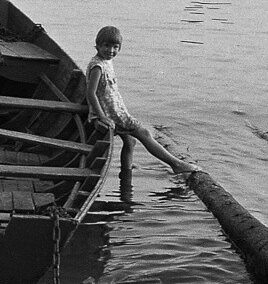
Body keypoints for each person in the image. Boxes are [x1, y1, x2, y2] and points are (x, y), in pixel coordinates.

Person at [86, 25, 201, 174]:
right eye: (106, 46)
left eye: (115, 47)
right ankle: (176, 164)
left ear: (120, 48)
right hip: (110, 115)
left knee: (130, 141)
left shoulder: (107, 61)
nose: (111, 51)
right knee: (144, 133)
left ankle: (126, 171)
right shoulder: (97, 66)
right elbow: (91, 93)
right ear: (97, 46)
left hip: (115, 112)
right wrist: (102, 117)